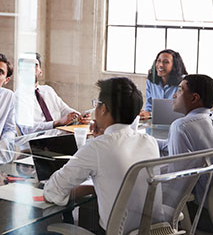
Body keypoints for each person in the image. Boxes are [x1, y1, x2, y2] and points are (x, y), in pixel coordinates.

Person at [44, 77, 161, 234]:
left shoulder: (98, 147)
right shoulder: (149, 141)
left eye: (96, 104)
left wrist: (87, 188)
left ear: (104, 108)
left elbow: (52, 191)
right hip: (153, 230)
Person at [160, 74, 213, 233]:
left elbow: (177, 177)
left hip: (200, 214)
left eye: (179, 90)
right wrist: (143, 140)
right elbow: (169, 146)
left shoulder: (181, 126)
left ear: (194, 98)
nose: (174, 95)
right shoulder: (212, 118)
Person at [16, 52, 90, 134]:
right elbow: (27, 129)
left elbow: (64, 110)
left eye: (35, 65)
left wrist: (79, 116)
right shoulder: (18, 96)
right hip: (35, 141)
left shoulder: (48, 90)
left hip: (57, 136)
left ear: (40, 71)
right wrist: (57, 123)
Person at [140, 49, 187, 119]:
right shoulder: (151, 81)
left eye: (166, 62)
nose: (161, 65)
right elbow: (149, 105)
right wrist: (145, 114)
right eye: (158, 61)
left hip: (176, 121)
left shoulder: (183, 82)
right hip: (155, 122)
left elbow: (182, 110)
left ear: (174, 65)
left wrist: (150, 114)